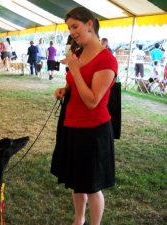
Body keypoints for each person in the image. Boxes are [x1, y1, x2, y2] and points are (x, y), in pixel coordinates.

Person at [51, 7, 118, 225]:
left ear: (90, 24)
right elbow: (77, 86)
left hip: (93, 131)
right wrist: (66, 89)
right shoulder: (79, 54)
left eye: (75, 26)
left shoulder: (107, 60)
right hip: (71, 125)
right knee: (76, 182)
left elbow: (92, 101)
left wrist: (76, 71)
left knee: (92, 186)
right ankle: (78, 220)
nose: (72, 32)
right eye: (70, 28)